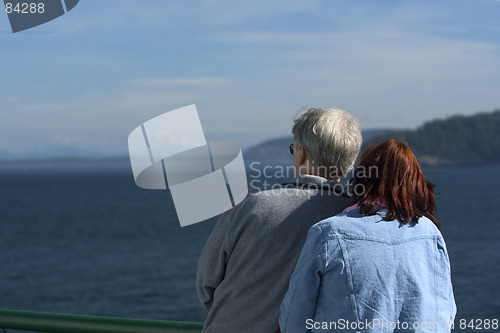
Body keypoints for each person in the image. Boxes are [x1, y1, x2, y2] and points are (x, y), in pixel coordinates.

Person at [196, 107, 363, 333]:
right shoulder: (356, 217)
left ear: (301, 153)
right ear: (350, 163)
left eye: (293, 148)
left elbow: (207, 283)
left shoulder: (250, 206)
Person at [279, 139, 457, 332]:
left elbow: (295, 318)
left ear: (363, 180)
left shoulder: (329, 233)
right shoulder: (430, 233)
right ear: (415, 183)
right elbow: (445, 312)